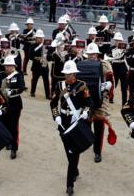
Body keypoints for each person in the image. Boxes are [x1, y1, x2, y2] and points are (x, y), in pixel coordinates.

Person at [50, 60, 94, 195]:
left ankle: (69, 185)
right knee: (67, 149)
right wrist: (56, 116)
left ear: (75, 73)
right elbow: (53, 103)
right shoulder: (59, 85)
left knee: (73, 152)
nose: (68, 76)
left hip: (76, 122)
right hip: (63, 122)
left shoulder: (82, 86)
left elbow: (89, 103)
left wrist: (86, 112)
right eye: (66, 74)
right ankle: (74, 169)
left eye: (70, 74)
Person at [77, 43, 115, 163]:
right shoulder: (83, 64)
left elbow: (111, 81)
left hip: (100, 100)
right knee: (86, 124)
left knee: (99, 127)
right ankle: (88, 142)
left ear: (97, 54)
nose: (91, 56)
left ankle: (97, 152)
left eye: (93, 54)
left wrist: (107, 86)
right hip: (87, 100)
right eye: (89, 54)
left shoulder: (104, 65)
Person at [0, 56, 25, 159]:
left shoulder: (18, 75)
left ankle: (14, 148)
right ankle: (7, 141)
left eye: (10, 65)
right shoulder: (0, 75)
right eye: (6, 65)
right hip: (3, 104)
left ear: (13, 66)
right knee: (4, 125)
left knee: (14, 127)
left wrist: (12, 91)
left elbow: (21, 88)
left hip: (15, 105)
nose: (8, 67)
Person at [106, 32, 128, 105]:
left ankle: (124, 102)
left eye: (119, 40)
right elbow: (108, 57)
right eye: (116, 40)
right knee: (112, 85)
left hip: (122, 68)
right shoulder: (111, 48)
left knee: (124, 88)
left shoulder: (124, 48)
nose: (118, 42)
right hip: (114, 67)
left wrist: (125, 51)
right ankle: (110, 98)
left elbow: (127, 57)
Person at [29, 29, 50, 99]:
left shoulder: (46, 45)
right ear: (36, 38)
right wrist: (36, 58)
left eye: (41, 38)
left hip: (44, 64)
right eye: (38, 38)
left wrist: (46, 57)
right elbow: (30, 55)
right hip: (36, 65)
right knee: (34, 79)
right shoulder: (33, 45)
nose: (40, 39)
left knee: (46, 80)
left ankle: (48, 94)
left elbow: (49, 55)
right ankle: (32, 92)